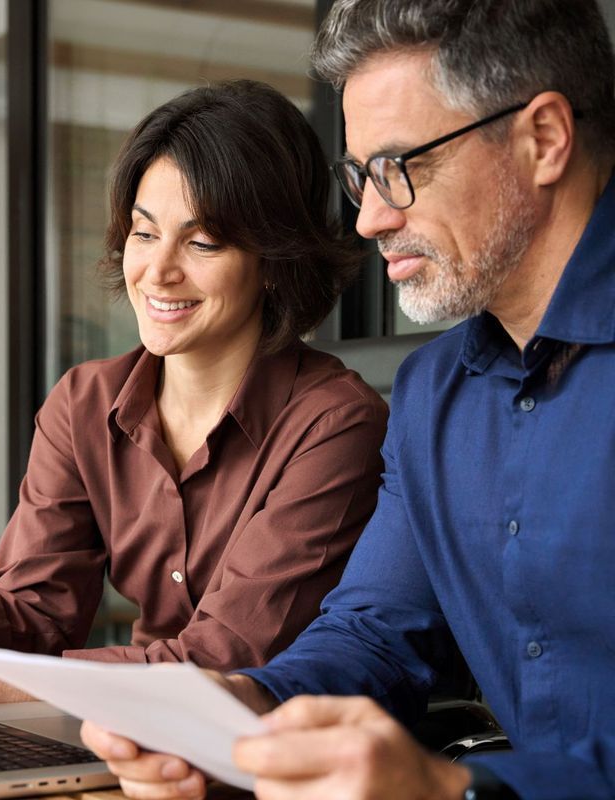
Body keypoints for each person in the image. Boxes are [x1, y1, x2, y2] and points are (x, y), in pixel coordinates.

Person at [80, 1, 615, 798]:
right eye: (359, 176)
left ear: (542, 139)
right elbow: (373, 636)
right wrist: (241, 707)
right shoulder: (436, 395)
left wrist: (451, 790)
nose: (370, 218)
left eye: (402, 167)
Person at [0, 80, 389, 708]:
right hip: (116, 727)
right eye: (143, 232)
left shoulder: (336, 424)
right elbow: (37, 618)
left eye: (202, 241)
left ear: (274, 260)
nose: (158, 271)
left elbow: (226, 660)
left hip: (268, 750)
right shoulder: (84, 403)